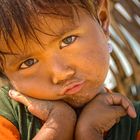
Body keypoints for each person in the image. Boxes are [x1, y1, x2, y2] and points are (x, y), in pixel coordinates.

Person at [0, 0, 139, 140]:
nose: (60, 74)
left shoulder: (134, 122)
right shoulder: (5, 115)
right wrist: (59, 125)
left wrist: (90, 133)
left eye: (68, 40)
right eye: (28, 63)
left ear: (102, 20)